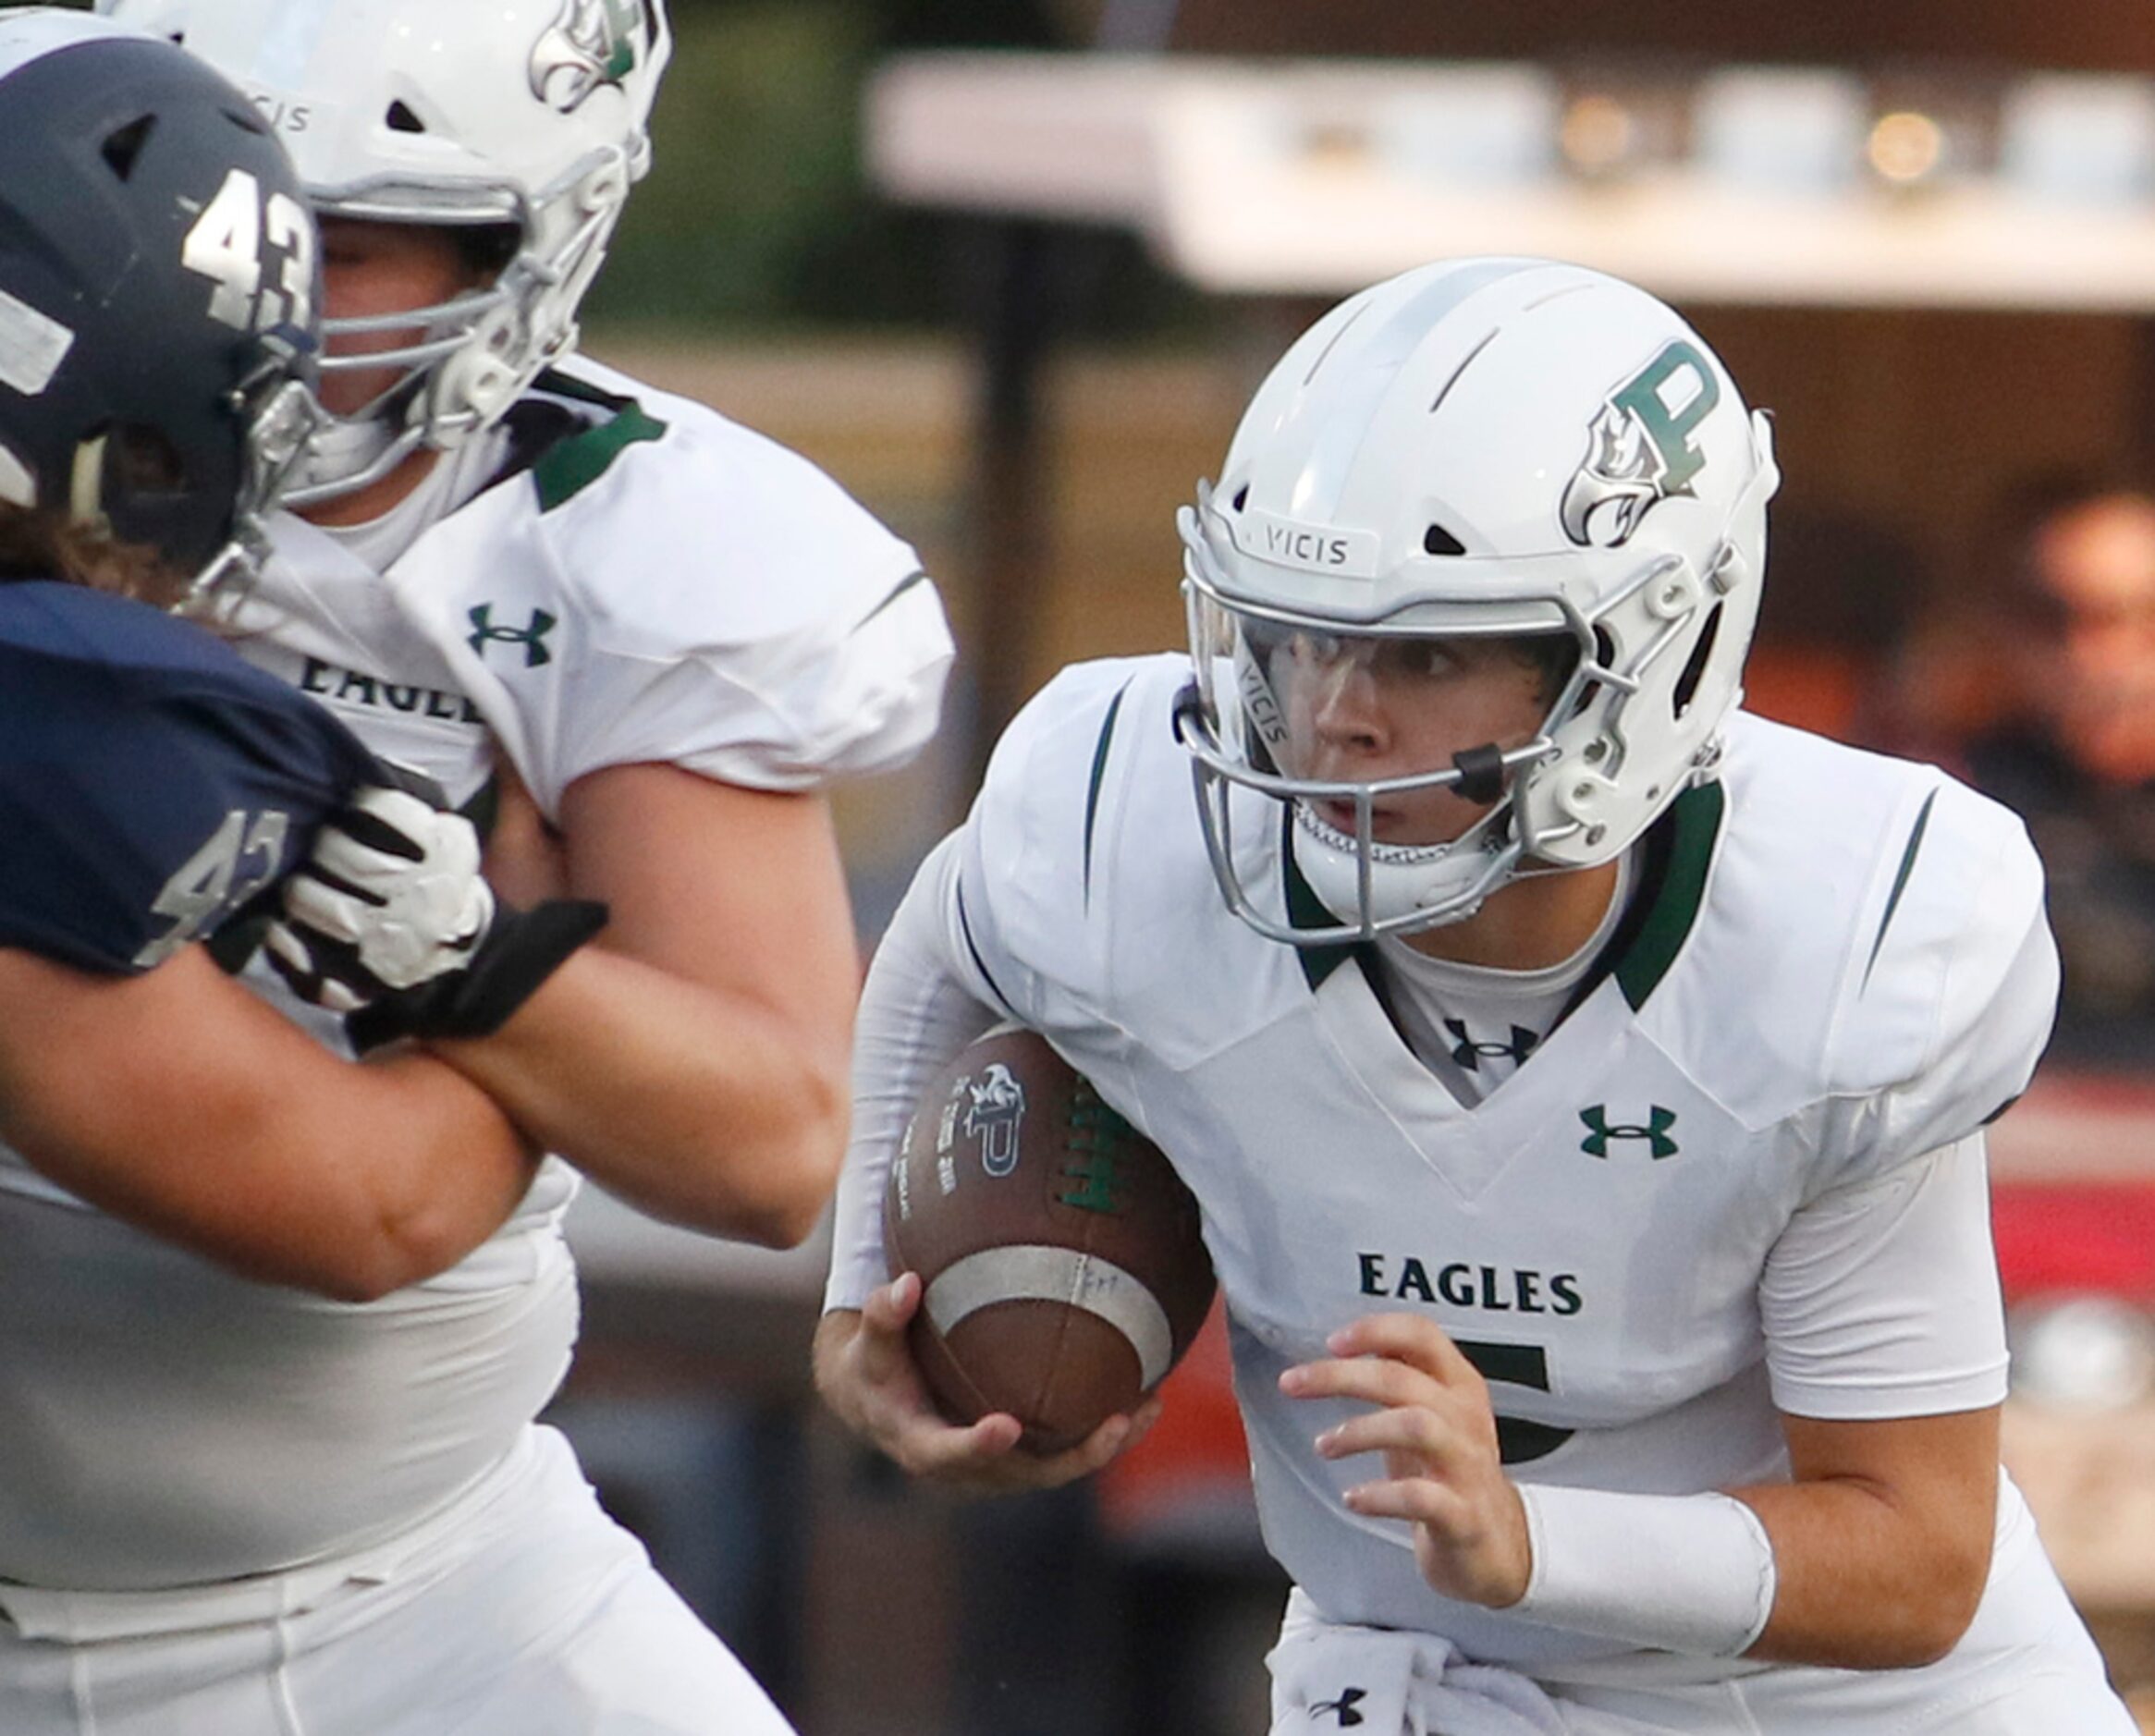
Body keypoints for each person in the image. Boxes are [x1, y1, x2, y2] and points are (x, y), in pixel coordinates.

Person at [816, 257, 2138, 1733]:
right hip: (1416, 1680)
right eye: (1296, 633)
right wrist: (859, 1286)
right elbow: (952, 930)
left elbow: (1912, 1555)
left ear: (1646, 658)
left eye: (1424, 651)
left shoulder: (1846, 934)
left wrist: (1526, 1537)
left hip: (1837, 1708)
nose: (1331, 714)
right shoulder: (1122, 824)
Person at [0, 13, 763, 1735]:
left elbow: (777, 1153)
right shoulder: (55, 717)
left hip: (416, 1582)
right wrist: (487, 954)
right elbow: (367, 1204)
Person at [100, 0, 955, 1246]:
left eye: (336, 245)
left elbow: (770, 1151)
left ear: (517, 254)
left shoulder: (628, 545)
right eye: (217, 228)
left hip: (398, 1413)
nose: (263, 300)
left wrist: (461, 960)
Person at [1943, 475, 2155, 1065]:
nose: (2096, 657)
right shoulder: (1954, 799)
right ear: (1996, 625)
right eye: (2053, 618)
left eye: (2139, 617)